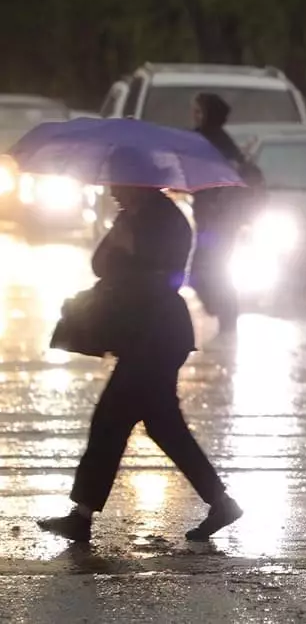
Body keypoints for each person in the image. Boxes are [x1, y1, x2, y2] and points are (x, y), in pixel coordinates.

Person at [37, 185, 242, 543]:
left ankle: (82, 516)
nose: (113, 191)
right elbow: (100, 265)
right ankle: (220, 502)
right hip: (137, 335)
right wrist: (119, 236)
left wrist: (133, 245)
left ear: (140, 182)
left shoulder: (168, 220)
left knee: (109, 420)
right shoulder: (129, 215)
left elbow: (166, 275)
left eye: (120, 183)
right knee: (164, 427)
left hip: (158, 335)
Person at [190, 92, 250, 337]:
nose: (193, 115)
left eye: (197, 111)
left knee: (204, 269)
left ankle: (225, 315)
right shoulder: (220, 143)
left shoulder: (210, 143)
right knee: (211, 269)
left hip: (218, 221)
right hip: (215, 219)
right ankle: (225, 317)